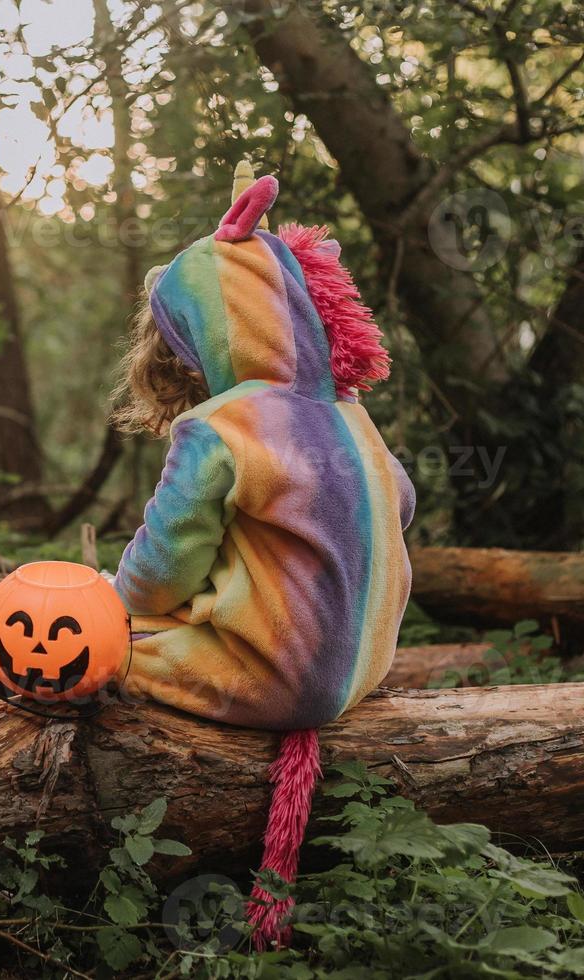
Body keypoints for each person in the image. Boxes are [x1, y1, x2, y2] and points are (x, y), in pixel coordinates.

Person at [108, 163, 415, 947]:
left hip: (274, 676)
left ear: (207, 337)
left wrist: (120, 608)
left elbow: (162, 569)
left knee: (92, 649)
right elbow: (402, 505)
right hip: (360, 668)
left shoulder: (221, 427)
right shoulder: (352, 420)